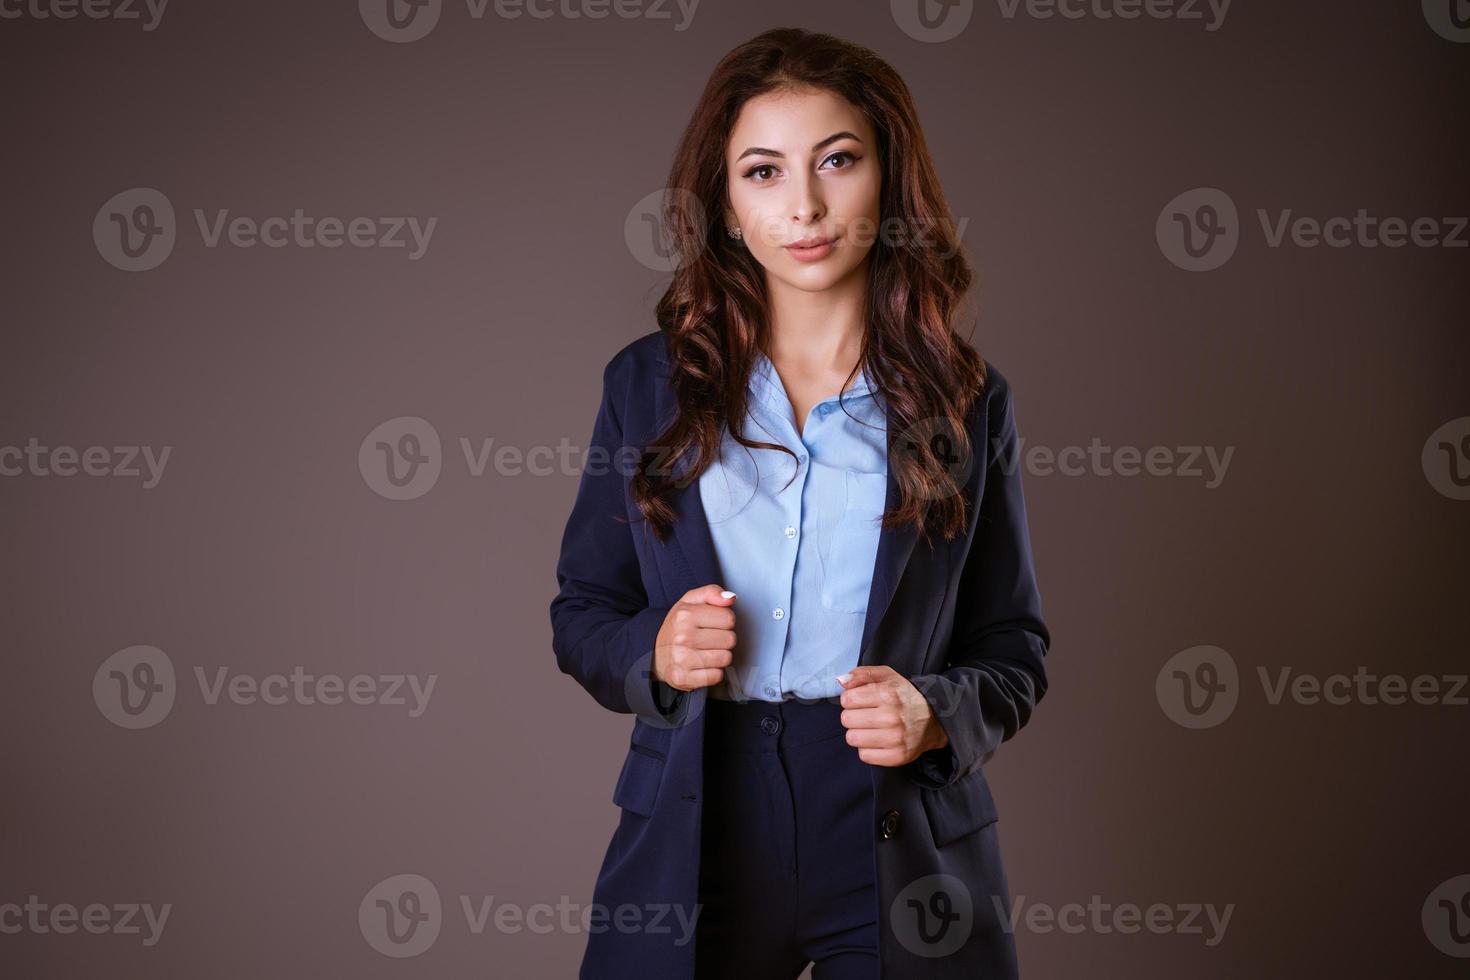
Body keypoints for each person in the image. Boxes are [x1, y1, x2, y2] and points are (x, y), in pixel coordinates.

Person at [550, 27, 1050, 980]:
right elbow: (582, 613)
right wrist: (651, 653)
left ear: (887, 180)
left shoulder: (968, 401)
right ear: (726, 205)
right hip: (698, 818)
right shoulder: (648, 388)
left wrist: (937, 712)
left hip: (896, 830)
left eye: (838, 161)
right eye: (764, 172)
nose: (806, 205)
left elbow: (1014, 647)